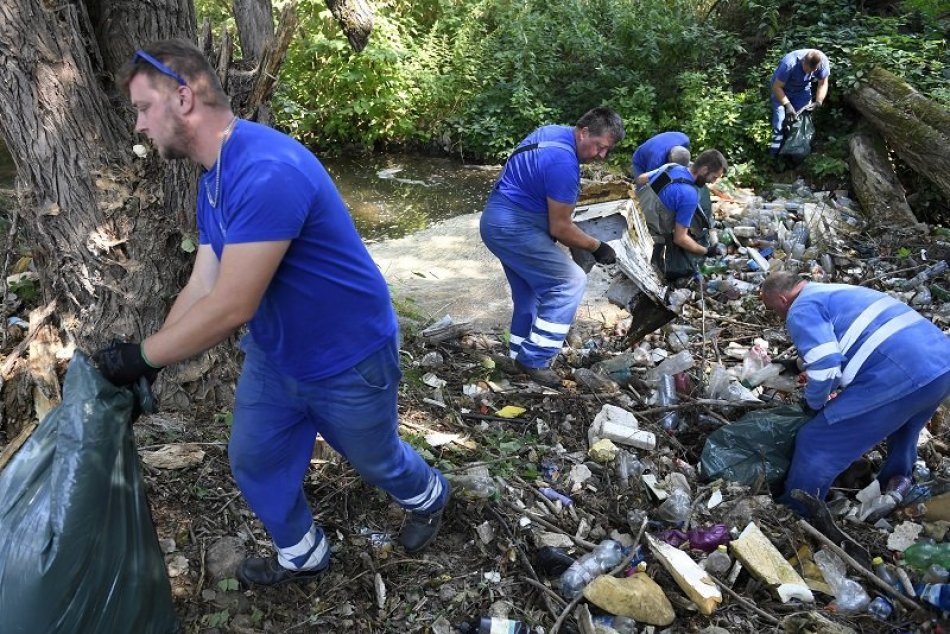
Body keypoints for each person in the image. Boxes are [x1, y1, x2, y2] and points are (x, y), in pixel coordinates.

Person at [93, 40, 450, 587]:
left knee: (378, 462)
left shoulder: (267, 169)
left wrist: (141, 355)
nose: (139, 126)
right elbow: (204, 282)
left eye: (143, 108)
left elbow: (235, 304)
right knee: (254, 459)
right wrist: (151, 361)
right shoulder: (215, 179)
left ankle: (430, 495)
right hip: (276, 354)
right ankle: (302, 553)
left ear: (183, 97)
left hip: (348, 357)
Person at [760, 272, 950, 516]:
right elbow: (848, 339)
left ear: (782, 299)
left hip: (900, 373)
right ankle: (894, 488)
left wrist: (813, 404)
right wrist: (797, 365)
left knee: (816, 440)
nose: (777, 316)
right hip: (940, 367)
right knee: (903, 429)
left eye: (773, 309)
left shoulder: (800, 309)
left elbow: (827, 365)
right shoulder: (833, 291)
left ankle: (796, 511)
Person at [479, 107, 625, 388]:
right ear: (583, 132)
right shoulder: (564, 165)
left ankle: (517, 357)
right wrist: (597, 246)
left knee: (530, 292)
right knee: (570, 281)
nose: (601, 155)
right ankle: (535, 359)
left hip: (497, 219)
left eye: (607, 150)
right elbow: (560, 227)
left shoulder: (551, 132)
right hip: (514, 227)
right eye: (599, 147)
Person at [634, 149, 728, 284]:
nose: (712, 182)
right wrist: (706, 251)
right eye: (713, 177)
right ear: (704, 170)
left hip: (635, 217)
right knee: (681, 264)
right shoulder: (689, 194)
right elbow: (680, 239)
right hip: (649, 235)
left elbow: (640, 179)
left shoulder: (670, 167)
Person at [769, 49, 830, 155]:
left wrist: (818, 101)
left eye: (812, 71)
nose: (809, 73)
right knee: (779, 121)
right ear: (803, 61)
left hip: (801, 90)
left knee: (800, 118)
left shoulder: (823, 62)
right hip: (782, 88)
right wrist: (787, 105)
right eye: (807, 70)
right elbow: (777, 87)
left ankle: (794, 150)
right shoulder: (789, 64)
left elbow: (823, 83)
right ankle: (773, 155)